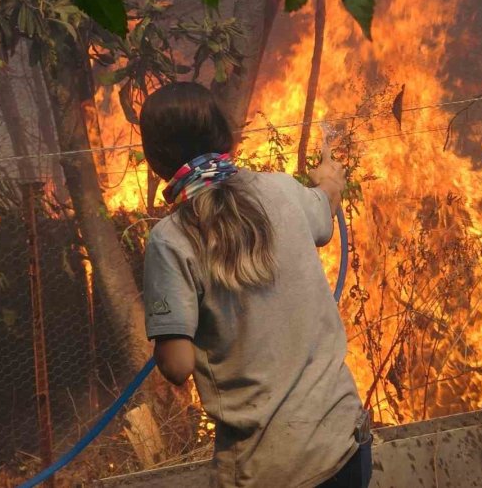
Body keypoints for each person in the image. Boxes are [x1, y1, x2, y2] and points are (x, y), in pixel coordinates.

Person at [139, 82, 371, 487]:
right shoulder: (282, 189)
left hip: (268, 469)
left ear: (156, 159)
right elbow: (323, 213)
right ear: (225, 136)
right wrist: (330, 181)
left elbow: (176, 366)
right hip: (344, 445)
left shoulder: (170, 239)